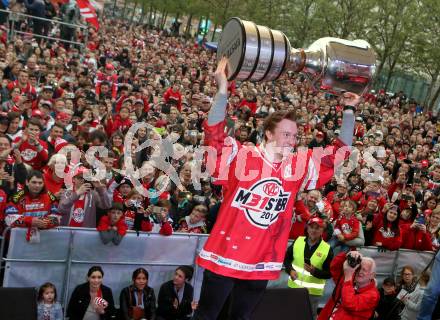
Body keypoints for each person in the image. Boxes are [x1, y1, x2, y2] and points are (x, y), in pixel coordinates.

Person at [192, 56, 357, 319]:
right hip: (225, 254)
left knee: (241, 318)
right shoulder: (242, 156)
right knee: (206, 316)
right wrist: (222, 90)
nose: (292, 140)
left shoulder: (299, 166)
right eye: (286, 134)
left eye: (294, 135)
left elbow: (340, 154)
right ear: (269, 133)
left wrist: (349, 111)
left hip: (262, 260)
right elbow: (214, 135)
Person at [283, 217, 333, 319]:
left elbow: (329, 274)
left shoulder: (327, 249)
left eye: (317, 228)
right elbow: (287, 259)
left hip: (312, 293)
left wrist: (314, 271)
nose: (313, 230)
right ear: (307, 228)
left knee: (308, 316)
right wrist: (290, 270)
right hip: (294, 288)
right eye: (311, 227)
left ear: (322, 230)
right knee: (290, 314)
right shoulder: (298, 240)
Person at [318, 251, 380, 320]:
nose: (360, 272)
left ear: (372, 275)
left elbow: (349, 303)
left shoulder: (373, 295)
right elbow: (334, 267)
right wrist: (347, 255)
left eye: (364, 270)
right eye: (359, 268)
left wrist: (348, 277)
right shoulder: (350, 280)